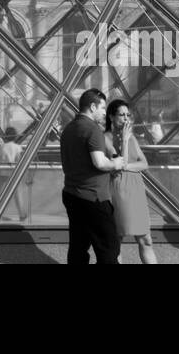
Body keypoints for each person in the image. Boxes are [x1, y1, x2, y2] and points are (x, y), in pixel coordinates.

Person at [59, 88, 125, 264]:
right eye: (103, 108)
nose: (105, 113)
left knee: (78, 246)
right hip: (93, 197)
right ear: (93, 106)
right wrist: (116, 164)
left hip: (72, 194)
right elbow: (99, 162)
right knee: (109, 247)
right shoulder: (92, 129)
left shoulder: (69, 129)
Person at [104, 99, 156, 264]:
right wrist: (125, 141)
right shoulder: (106, 138)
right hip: (120, 190)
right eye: (121, 115)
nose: (126, 118)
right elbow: (119, 165)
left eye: (128, 115)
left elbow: (144, 163)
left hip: (136, 190)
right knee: (117, 240)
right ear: (111, 116)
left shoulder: (131, 137)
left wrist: (128, 165)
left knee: (146, 240)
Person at [0, 126, 29, 222]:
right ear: (15, 136)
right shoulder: (17, 147)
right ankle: (22, 214)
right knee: (18, 194)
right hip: (14, 173)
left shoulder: (1, 147)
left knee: (0, 195)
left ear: (5, 136)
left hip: (2, 172)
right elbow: (19, 160)